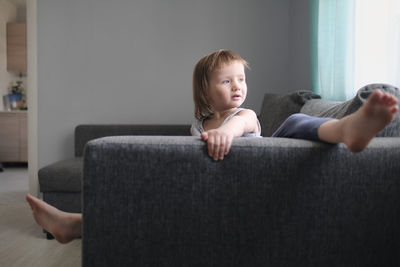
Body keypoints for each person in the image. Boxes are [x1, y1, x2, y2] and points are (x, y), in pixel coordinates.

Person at [26, 49, 399, 244]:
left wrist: (229, 131)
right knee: (152, 203)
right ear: (204, 92)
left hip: (267, 177)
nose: (237, 87)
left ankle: (349, 128)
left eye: (240, 79)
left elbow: (246, 123)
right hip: (221, 196)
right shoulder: (198, 126)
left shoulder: (245, 115)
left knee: (295, 122)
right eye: (225, 81)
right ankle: (76, 224)